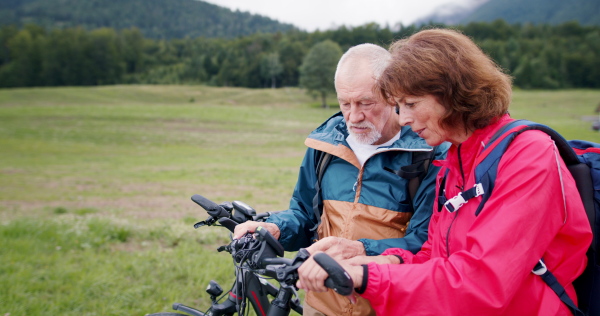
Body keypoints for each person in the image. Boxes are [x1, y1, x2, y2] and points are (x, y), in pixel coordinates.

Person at [297, 29, 593, 315]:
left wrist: (365, 277)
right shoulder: (455, 160)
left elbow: (484, 281)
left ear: (452, 93)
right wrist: (370, 260)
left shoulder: (528, 156)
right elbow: (432, 255)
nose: (403, 120)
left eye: (411, 104)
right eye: (399, 106)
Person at [233, 43, 449, 316]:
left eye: (365, 103)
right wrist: (274, 228)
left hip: (388, 307)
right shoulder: (324, 146)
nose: (353, 116)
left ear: (394, 96)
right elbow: (303, 215)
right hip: (321, 305)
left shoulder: (428, 154)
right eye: (344, 103)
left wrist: (359, 249)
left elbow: (426, 243)